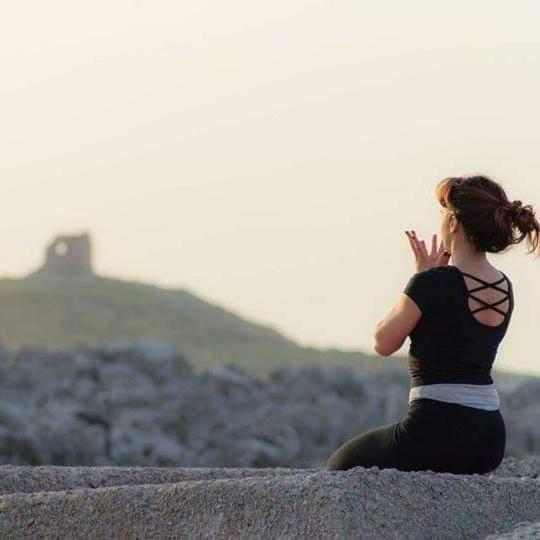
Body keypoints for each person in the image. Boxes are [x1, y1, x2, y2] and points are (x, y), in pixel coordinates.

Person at [326, 175, 540, 475]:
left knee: (340, 464)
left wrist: (417, 279)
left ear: (453, 223)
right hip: (489, 439)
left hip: (434, 430)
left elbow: (383, 342)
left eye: (442, 213)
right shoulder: (504, 286)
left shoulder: (430, 283)